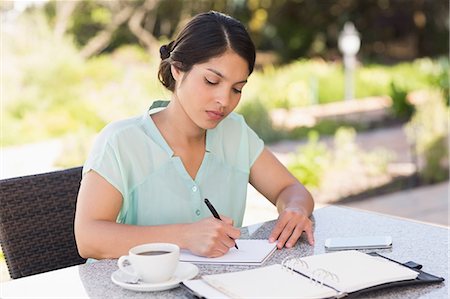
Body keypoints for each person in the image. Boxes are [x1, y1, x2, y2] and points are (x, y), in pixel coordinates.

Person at [74, 11, 314, 260]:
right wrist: (185, 236)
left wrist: (295, 208)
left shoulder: (235, 132)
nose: (224, 100)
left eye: (237, 89)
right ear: (178, 69)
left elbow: (290, 189)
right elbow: (89, 238)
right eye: (211, 81)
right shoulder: (121, 142)